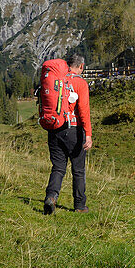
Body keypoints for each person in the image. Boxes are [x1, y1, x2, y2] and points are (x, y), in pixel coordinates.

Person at [43, 53, 92, 214]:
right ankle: (79, 205)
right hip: (73, 130)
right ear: (81, 67)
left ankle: (51, 197)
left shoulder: (57, 79)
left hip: (54, 128)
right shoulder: (80, 83)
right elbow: (84, 111)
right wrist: (88, 134)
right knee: (78, 169)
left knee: (58, 167)